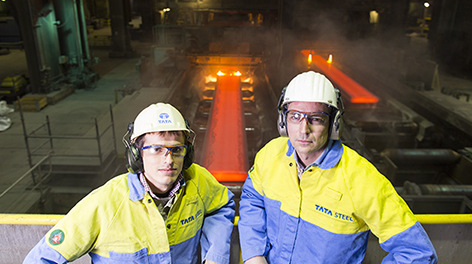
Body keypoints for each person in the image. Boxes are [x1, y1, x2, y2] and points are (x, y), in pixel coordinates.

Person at [238, 71, 437, 263]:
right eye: (295, 116)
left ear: (334, 123)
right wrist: (254, 255)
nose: (303, 130)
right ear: (283, 120)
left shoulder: (361, 180)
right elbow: (252, 199)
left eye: (315, 119)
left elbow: (417, 252)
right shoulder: (270, 155)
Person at [24, 102, 235, 264]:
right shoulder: (105, 204)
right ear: (136, 155)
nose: (168, 159)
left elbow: (221, 206)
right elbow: (42, 258)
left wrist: (214, 256)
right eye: (156, 149)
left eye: (176, 150)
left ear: (187, 154)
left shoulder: (198, 181)